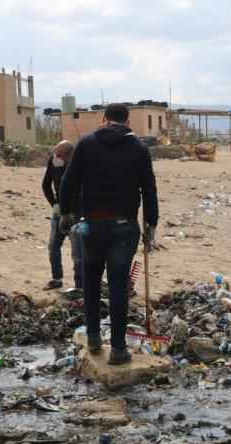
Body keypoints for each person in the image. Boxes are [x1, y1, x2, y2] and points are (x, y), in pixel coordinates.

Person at [59, 103, 159, 365]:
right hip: (124, 227)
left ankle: (93, 339)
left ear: (104, 119)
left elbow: (68, 181)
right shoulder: (138, 148)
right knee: (117, 286)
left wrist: (66, 213)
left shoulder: (87, 143)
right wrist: (152, 224)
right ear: (127, 121)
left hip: (92, 225)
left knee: (91, 282)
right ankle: (117, 348)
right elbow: (149, 189)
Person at [42, 140, 83, 290]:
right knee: (53, 246)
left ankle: (80, 285)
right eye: (56, 154)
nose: (57, 157)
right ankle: (56, 278)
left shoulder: (80, 164)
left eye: (60, 155)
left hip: (77, 213)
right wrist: (54, 204)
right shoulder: (54, 162)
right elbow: (46, 184)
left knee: (78, 252)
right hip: (59, 212)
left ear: (69, 154)